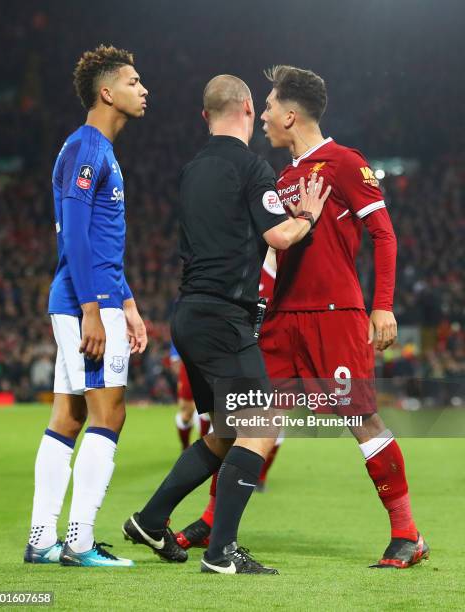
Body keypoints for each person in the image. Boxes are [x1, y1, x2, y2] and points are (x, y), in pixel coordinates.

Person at [123, 74, 330, 574]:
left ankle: (151, 520)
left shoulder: (192, 169)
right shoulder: (252, 166)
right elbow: (280, 236)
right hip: (224, 318)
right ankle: (222, 553)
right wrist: (309, 216)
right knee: (261, 427)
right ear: (246, 107)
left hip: (189, 316)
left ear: (204, 115)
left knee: (222, 435)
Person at [258, 65, 428, 569]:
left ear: (290, 115)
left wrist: (383, 304)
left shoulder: (344, 162)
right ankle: (212, 523)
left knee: (360, 418)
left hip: (333, 315)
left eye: (268, 106)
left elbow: (384, 235)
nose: (263, 116)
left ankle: (407, 533)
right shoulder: (284, 178)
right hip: (282, 319)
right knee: (252, 419)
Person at [24, 45, 148, 568]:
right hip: (83, 304)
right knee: (110, 413)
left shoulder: (99, 151)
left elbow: (99, 241)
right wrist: (96, 310)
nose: (144, 90)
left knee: (69, 415)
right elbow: (73, 232)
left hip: (89, 297)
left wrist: (130, 304)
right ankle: (78, 541)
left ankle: (40, 539)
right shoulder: (87, 148)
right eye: (134, 81)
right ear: (107, 92)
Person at [174, 252, 284, 550]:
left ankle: (207, 520)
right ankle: (210, 522)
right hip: (232, 355)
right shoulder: (239, 259)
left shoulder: (286, 267)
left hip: (269, 355)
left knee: (259, 432)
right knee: (226, 432)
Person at [170, 341, 210, 451]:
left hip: (213, 361)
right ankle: (185, 447)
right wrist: (174, 357)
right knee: (186, 414)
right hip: (189, 364)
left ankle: (204, 450)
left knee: (208, 409)